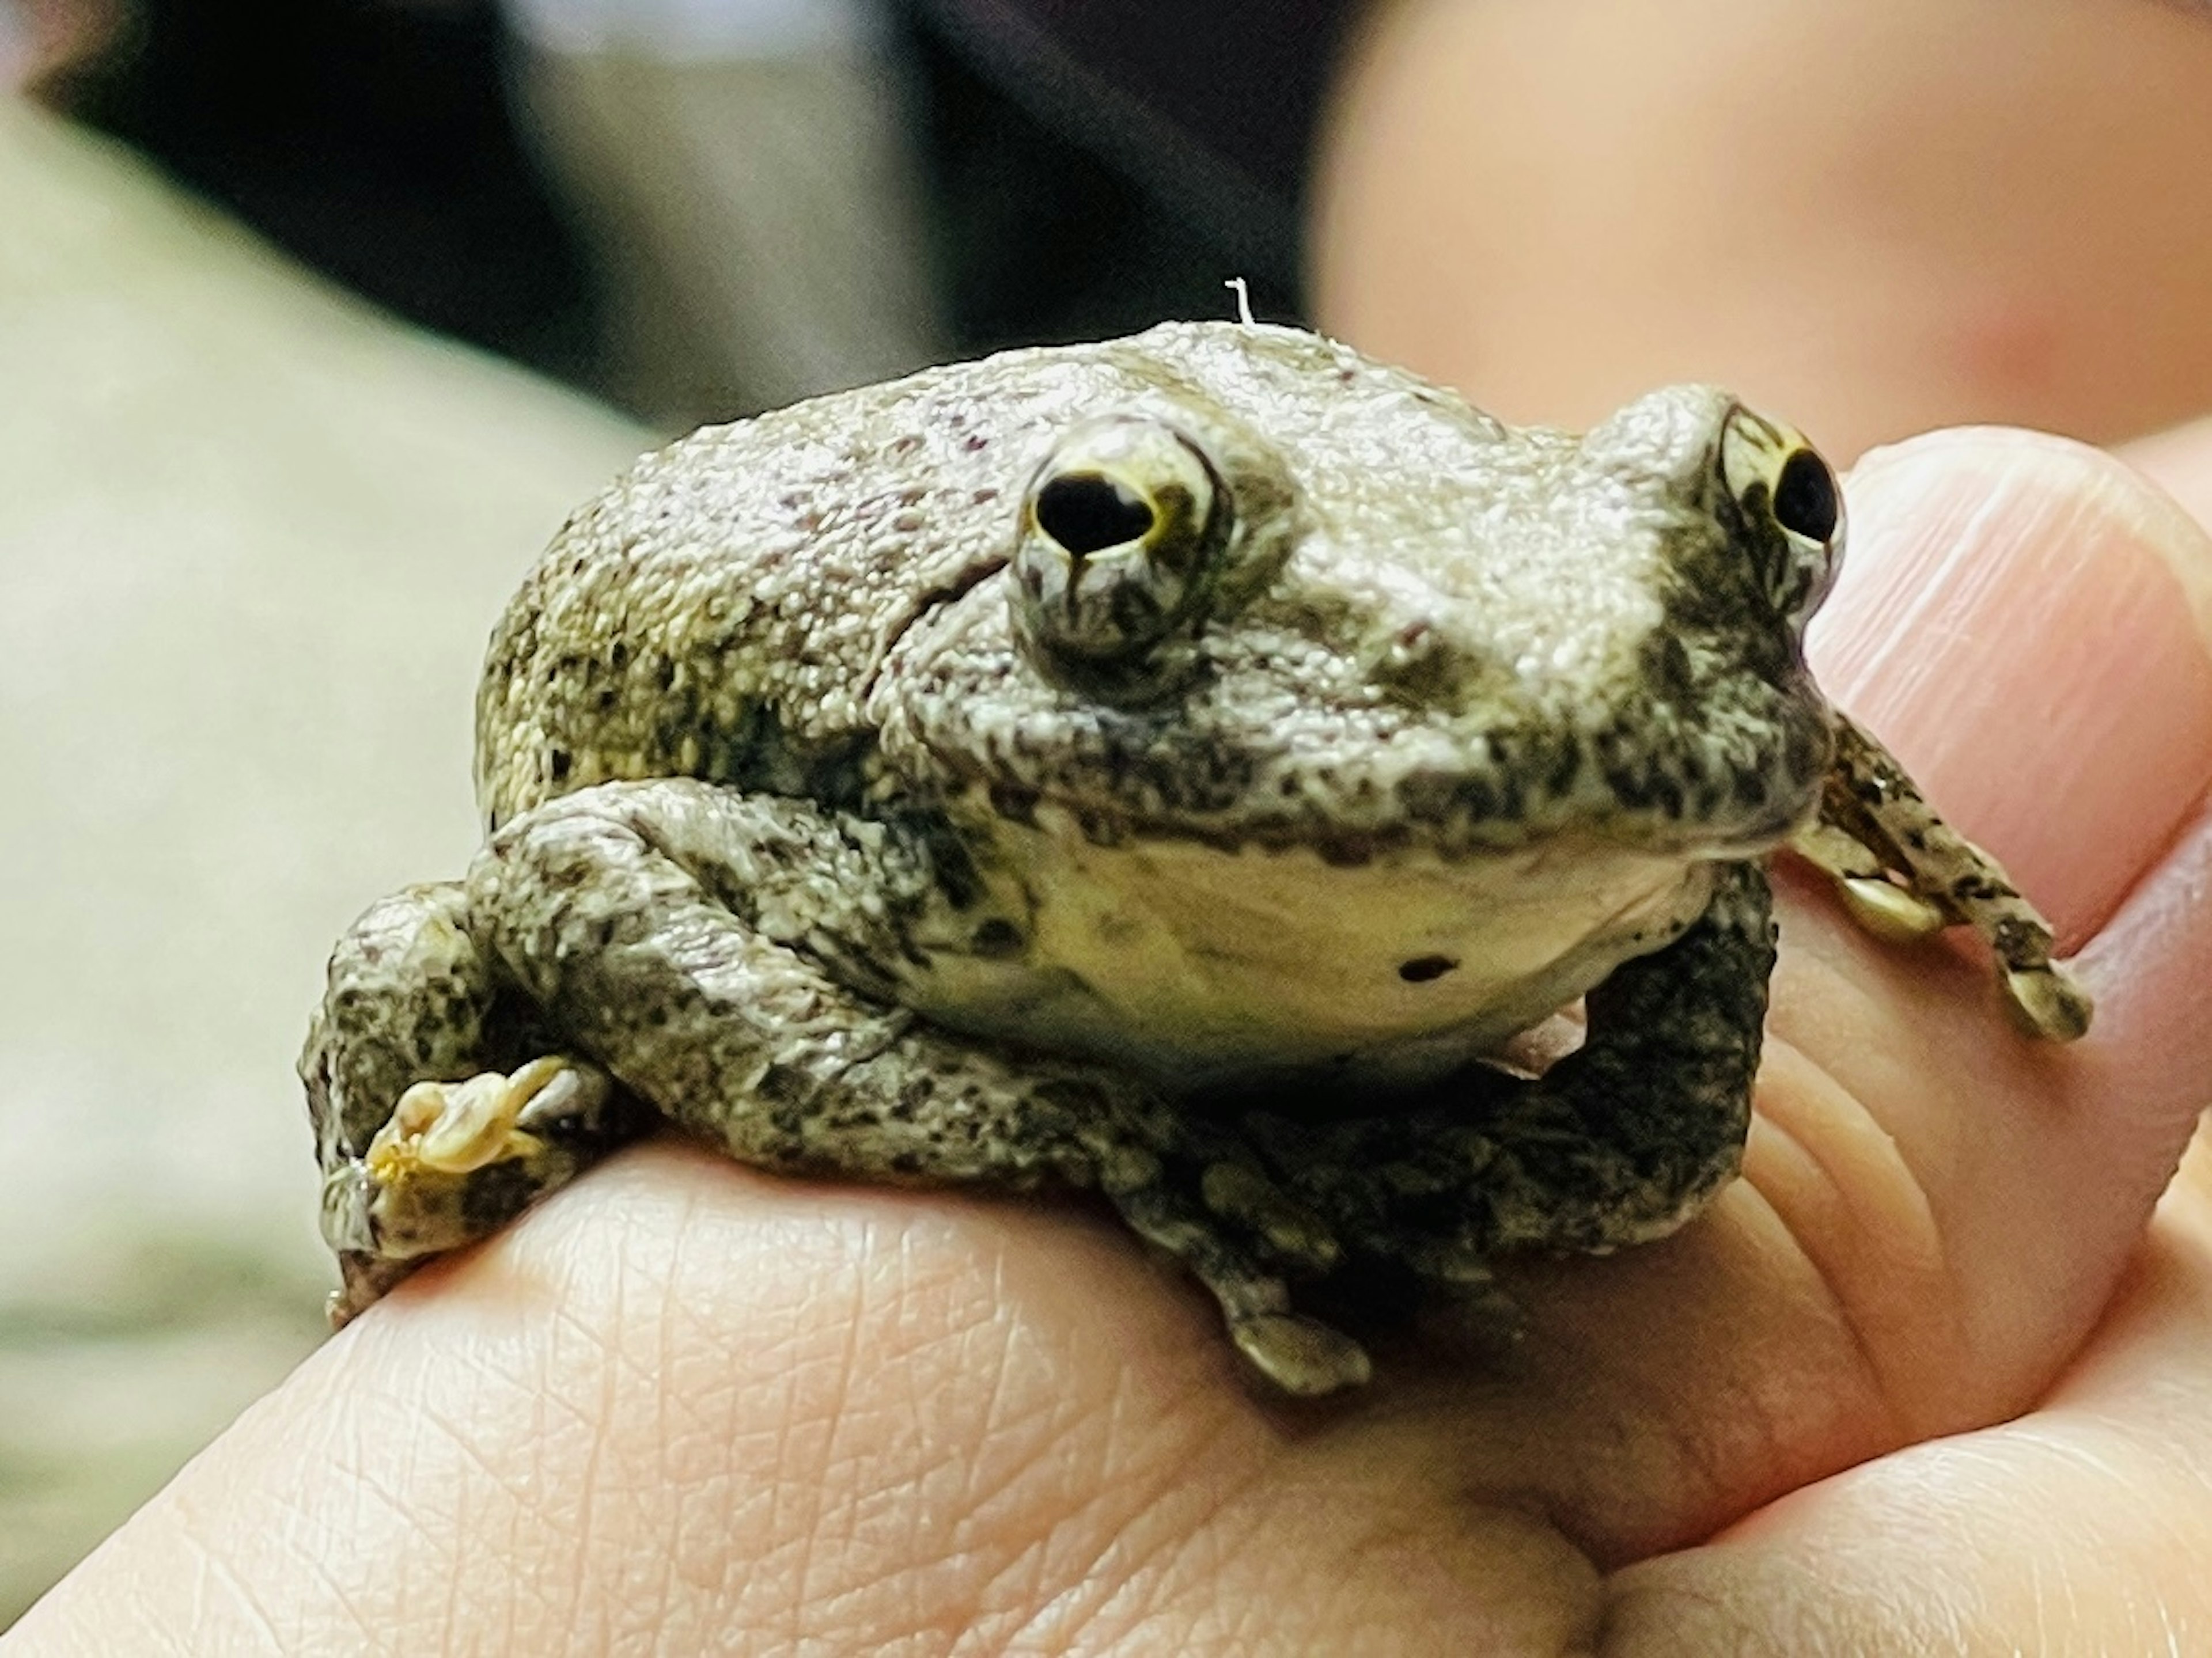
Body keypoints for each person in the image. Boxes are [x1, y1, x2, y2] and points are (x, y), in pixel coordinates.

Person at [16, 4, 2212, 1650]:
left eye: (1776, 540)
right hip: (816, 731)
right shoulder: (925, 826)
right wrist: (1039, 1133)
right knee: (413, 985)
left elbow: (1682, 855)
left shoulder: (1631, 751)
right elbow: (575, 875)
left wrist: (1597, 1134)